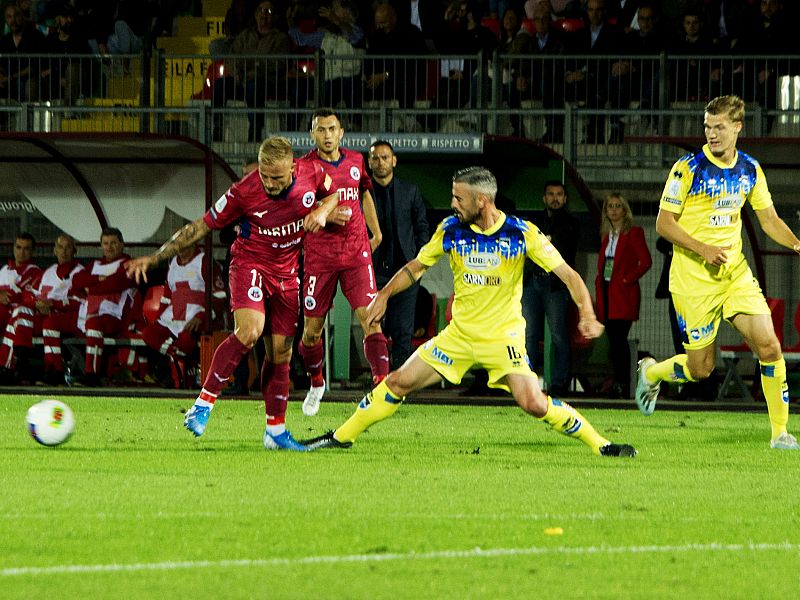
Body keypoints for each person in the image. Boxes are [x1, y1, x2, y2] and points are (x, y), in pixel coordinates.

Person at [302, 166, 637, 458]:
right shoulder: (451, 229)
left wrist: (587, 313)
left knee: (534, 403)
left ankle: (602, 444)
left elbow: (569, 275)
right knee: (398, 381)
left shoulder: (521, 233)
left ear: (482, 201)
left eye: (458, 198)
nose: (452, 203)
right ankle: (341, 437)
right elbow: (417, 267)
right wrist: (385, 294)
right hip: (458, 338)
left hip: (502, 340)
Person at [126, 136, 341, 451]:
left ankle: (275, 432)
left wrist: (323, 212)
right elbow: (200, 227)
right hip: (250, 264)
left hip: (287, 274)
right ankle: (203, 404)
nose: (269, 183)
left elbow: (334, 193)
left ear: (293, 168)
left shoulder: (312, 173)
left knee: (280, 354)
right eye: (264, 175)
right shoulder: (243, 191)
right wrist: (156, 258)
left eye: (276, 178)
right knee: (250, 331)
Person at [635, 95, 800, 450]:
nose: (711, 133)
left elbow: (769, 219)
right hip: (693, 282)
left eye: (719, 127)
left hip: (734, 276)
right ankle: (651, 372)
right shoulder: (688, 169)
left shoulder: (750, 169)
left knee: (770, 346)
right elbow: (664, 224)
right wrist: (704, 249)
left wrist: (798, 244)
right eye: (707, 127)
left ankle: (780, 433)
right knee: (701, 369)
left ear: (737, 127)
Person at [298, 108, 387, 417]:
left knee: (371, 319)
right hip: (320, 256)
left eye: (332, 129)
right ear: (312, 134)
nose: (327, 135)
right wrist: (325, 214)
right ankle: (316, 383)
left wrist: (376, 232)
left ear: (341, 132)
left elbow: (364, 194)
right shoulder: (304, 168)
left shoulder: (356, 161)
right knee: (312, 331)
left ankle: (382, 388)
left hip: (354, 252)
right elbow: (299, 208)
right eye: (321, 129)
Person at [369, 139, 429, 370]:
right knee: (375, 330)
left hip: (406, 271)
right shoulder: (362, 193)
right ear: (369, 162)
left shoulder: (410, 191)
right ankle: (379, 379)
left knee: (403, 331)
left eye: (385, 157)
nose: (380, 162)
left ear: (394, 161)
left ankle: (400, 383)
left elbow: (422, 226)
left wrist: (418, 259)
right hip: (373, 272)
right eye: (375, 158)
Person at [140, 243, 226, 389]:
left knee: (186, 341)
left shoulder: (204, 261)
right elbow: (167, 297)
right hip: (174, 318)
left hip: (198, 318)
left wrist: (201, 316)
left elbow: (220, 296)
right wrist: (159, 317)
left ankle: (182, 373)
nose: (180, 246)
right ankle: (179, 358)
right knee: (149, 334)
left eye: (184, 241)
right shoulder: (173, 263)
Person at [522, 180, 578, 397]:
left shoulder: (572, 223)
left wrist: (544, 243)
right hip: (532, 283)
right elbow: (528, 249)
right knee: (529, 334)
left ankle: (559, 383)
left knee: (558, 335)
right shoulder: (534, 222)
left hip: (555, 285)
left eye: (559, 194)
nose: (555, 198)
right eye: (551, 194)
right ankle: (527, 383)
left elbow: (564, 249)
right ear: (544, 198)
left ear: (565, 199)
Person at [594, 193, 651, 398]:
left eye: (618, 206)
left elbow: (646, 261)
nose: (614, 210)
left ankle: (623, 384)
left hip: (623, 295)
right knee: (613, 342)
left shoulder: (634, 232)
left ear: (625, 210)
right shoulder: (606, 235)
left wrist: (627, 279)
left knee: (619, 341)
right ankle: (617, 382)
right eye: (610, 206)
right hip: (607, 294)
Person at [72, 227, 139, 386]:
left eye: (113, 243)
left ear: (122, 244)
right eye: (106, 243)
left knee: (94, 324)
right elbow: (76, 281)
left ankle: (92, 374)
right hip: (89, 313)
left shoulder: (129, 264)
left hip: (116, 317)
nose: (109, 247)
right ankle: (53, 371)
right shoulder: (95, 264)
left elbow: (116, 284)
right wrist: (98, 279)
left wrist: (90, 288)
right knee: (52, 323)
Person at [20, 234, 86, 386]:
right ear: (54, 250)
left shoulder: (80, 272)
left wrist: (52, 304)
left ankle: (54, 370)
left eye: (68, 248)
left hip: (70, 318)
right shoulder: (48, 272)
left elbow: (80, 302)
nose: (64, 251)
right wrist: (37, 303)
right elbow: (29, 293)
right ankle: (17, 368)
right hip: (45, 314)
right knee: (21, 314)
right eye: (60, 247)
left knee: (50, 323)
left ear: (74, 251)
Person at [0, 232, 42, 384]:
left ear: (32, 252)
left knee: (18, 316)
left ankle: (7, 368)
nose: (21, 252)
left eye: (26, 249)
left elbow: (26, 297)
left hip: (21, 318)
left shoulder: (36, 272)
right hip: (5, 313)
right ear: (13, 248)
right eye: (18, 247)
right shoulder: (4, 270)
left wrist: (5, 295)